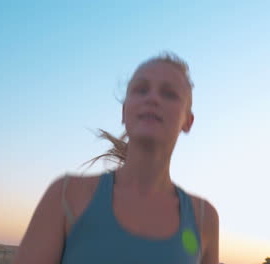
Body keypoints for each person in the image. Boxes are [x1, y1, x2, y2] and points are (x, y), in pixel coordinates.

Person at [13, 52, 219, 264]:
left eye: (169, 94)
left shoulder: (203, 218)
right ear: (124, 112)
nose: (152, 98)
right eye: (141, 90)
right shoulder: (66, 196)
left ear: (188, 121)